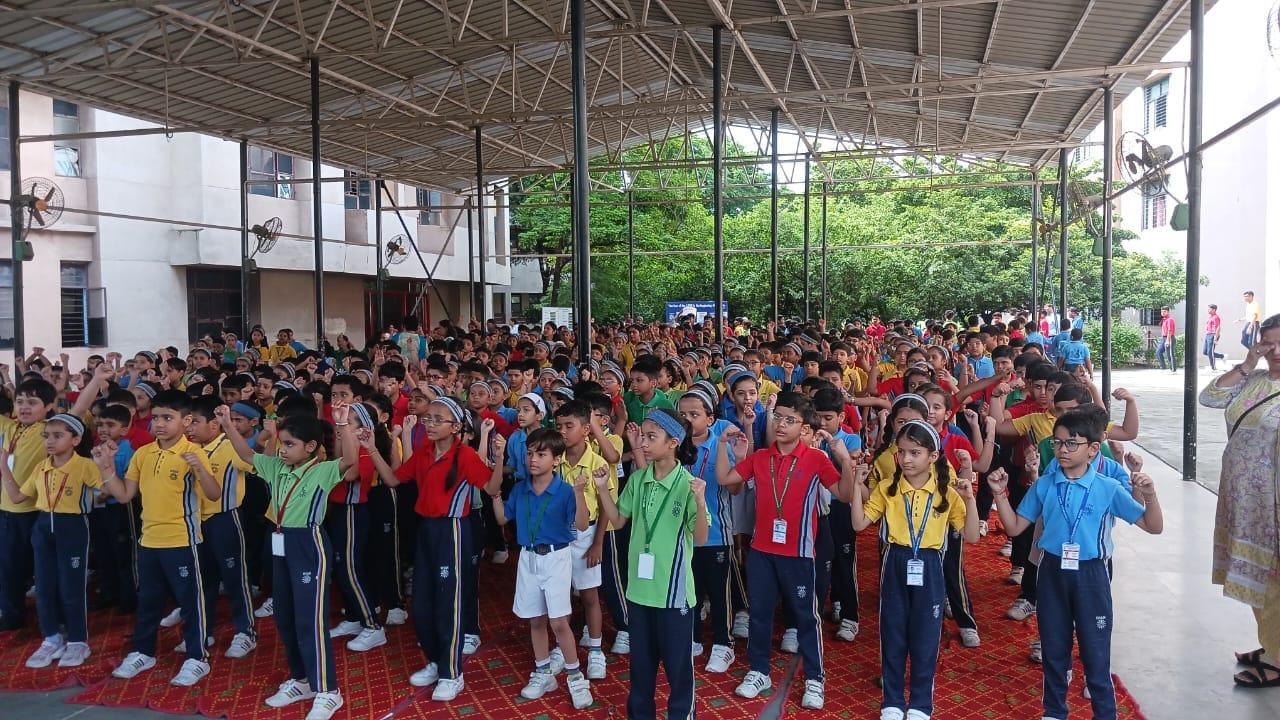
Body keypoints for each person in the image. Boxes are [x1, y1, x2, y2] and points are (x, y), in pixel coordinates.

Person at [988, 410, 1163, 720]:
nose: (1063, 450)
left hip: (1091, 574)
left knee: (1095, 649)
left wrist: (1150, 496)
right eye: (1057, 443)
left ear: (1093, 449)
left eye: (1072, 444)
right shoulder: (1044, 485)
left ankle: (1104, 713)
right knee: (1054, 647)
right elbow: (1015, 527)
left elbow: (1153, 526)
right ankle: (1054, 711)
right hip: (1052, 570)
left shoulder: (1107, 488)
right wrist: (1000, 494)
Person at [214, 403, 358, 720]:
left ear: (311, 447)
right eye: (281, 442)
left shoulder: (322, 470)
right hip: (281, 543)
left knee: (310, 620)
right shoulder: (275, 467)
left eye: (290, 444)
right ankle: (302, 679)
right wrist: (227, 424)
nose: (282, 449)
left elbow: (349, 460)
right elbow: (248, 455)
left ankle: (328, 690)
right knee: (286, 616)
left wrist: (344, 424)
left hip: (308, 544)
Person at [717, 391, 856, 710]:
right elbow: (725, 479)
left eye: (790, 419)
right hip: (762, 551)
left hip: (799, 553)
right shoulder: (762, 457)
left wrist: (844, 460)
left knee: (807, 618)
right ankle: (758, 671)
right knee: (760, 615)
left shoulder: (817, 459)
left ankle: (814, 678)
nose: (781, 424)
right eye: (778, 416)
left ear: (805, 427)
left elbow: (845, 496)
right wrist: (725, 447)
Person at [375, 396, 504, 701]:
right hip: (427, 531)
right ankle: (436, 660)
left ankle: (451, 672)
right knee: (421, 603)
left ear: (456, 426)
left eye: (437, 419)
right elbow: (393, 479)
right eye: (427, 418)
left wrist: (499, 458)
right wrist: (371, 449)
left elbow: (491, 489)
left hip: (453, 530)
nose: (429, 424)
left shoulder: (466, 456)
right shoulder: (423, 453)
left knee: (449, 603)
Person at [851, 419, 980, 720]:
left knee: (926, 636)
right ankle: (892, 701)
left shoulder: (946, 491)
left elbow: (972, 536)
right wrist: (858, 487)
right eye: (902, 452)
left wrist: (970, 499)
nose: (907, 459)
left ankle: (921, 703)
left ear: (933, 456)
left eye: (915, 453)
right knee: (893, 633)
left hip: (931, 563)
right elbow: (859, 524)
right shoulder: (888, 488)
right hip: (895, 561)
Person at [95, 390, 221, 687]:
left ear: (186, 421)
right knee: (148, 599)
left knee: (191, 601)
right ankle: (143, 651)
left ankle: (196, 656)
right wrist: (105, 468)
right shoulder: (143, 454)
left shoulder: (195, 452)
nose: (160, 424)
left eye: (168, 418)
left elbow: (214, 494)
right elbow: (125, 494)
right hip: (149, 540)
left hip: (182, 540)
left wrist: (200, 469)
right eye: (156, 418)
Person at [594, 409, 710, 720]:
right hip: (639, 592)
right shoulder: (638, 479)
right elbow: (618, 521)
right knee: (640, 670)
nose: (643, 443)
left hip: (673, 597)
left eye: (651, 437)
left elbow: (700, 538)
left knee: (678, 670)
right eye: (642, 436)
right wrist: (603, 489)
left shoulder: (688, 484)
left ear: (673, 442)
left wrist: (699, 502)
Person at [1199, 314, 1280, 687]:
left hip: (1271, 501)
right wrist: (1247, 364)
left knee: (1274, 577)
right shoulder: (1257, 380)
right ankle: (1272, 643)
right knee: (1254, 573)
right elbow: (1210, 397)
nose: (1274, 352)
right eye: (1267, 344)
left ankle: (1279, 658)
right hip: (1241, 497)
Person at [490, 427, 594, 709]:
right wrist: (496, 494)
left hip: (556, 558)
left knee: (559, 621)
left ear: (556, 460)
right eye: (530, 453)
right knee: (535, 619)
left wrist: (580, 493)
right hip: (528, 558)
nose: (533, 459)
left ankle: (575, 678)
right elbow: (502, 518)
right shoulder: (522, 488)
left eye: (541, 454)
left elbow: (583, 525)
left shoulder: (564, 490)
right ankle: (544, 671)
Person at [0, 414, 98, 668]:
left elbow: (106, 492)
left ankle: (78, 641)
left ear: (75, 439)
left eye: (58, 436)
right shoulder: (41, 467)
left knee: (71, 587)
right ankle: (51, 637)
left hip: (72, 528)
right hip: (43, 527)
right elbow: (18, 497)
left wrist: (106, 468)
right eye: (47, 436)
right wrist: (4, 467)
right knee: (43, 586)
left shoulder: (85, 465)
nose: (50, 441)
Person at [1204, 304, 1224, 371]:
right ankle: (1222, 356)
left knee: (1210, 352)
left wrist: (1215, 338)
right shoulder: (1210, 317)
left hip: (1213, 335)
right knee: (1205, 352)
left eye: (1209, 309)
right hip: (1208, 335)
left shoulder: (1216, 317)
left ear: (1214, 310)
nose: (1208, 310)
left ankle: (1213, 368)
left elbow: (1218, 328)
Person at [1157, 306, 1177, 372]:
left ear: (1168, 312)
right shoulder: (1164, 319)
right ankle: (1163, 367)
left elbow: (1170, 330)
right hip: (1164, 338)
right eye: (1162, 311)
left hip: (1169, 338)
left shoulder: (1170, 320)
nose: (1163, 313)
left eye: (1164, 311)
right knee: (1158, 351)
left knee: (1170, 354)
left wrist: (1168, 340)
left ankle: (1173, 369)